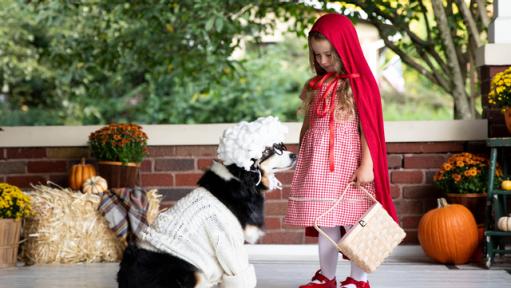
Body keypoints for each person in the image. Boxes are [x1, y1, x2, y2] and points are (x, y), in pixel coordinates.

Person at [284, 13, 398, 288]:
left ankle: (359, 279)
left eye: (328, 55)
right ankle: (327, 276)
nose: (322, 61)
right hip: (320, 167)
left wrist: (367, 165)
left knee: (354, 221)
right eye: (317, 56)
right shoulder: (316, 85)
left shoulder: (361, 84)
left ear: (345, 49)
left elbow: (368, 130)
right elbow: (308, 125)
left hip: (349, 166)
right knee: (326, 221)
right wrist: (303, 154)